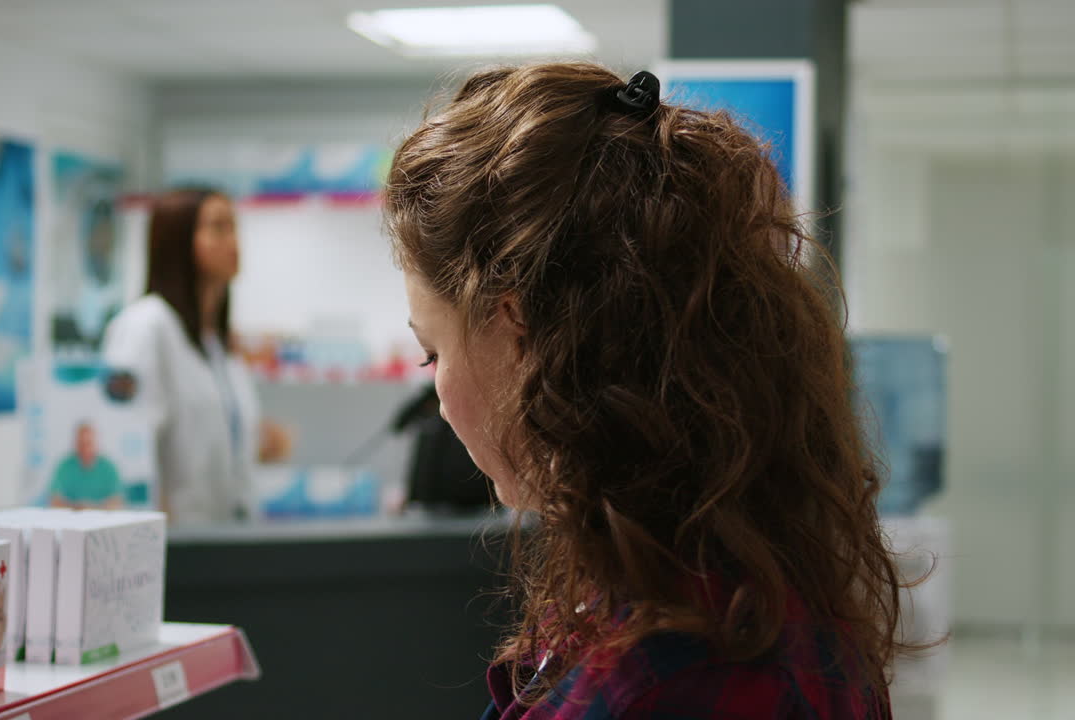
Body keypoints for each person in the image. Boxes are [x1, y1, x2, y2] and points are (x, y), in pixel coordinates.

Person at [387, 63, 911, 719]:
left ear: (520, 331)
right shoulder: (739, 594)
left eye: (432, 352)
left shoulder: (676, 679)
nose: (436, 395)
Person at [103, 188, 291, 525]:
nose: (233, 241)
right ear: (177, 242)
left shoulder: (215, 341)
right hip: (175, 548)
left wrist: (257, 443)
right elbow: (127, 447)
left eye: (234, 226)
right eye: (218, 228)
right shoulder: (146, 326)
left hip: (227, 538)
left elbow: (202, 441)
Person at [49, 422, 122, 509]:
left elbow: (117, 501)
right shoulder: (64, 466)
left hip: (102, 519)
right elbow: (54, 500)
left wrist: (92, 508)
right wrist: (77, 508)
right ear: (75, 443)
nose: (85, 448)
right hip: (70, 519)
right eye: (81, 443)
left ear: (95, 443)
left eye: (88, 443)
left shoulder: (109, 468)